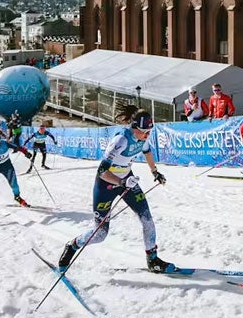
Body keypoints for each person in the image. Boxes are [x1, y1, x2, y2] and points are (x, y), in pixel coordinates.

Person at [55, 104, 173, 273]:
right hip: (106, 184)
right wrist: (122, 182)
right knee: (101, 234)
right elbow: (102, 171)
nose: (147, 135)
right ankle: (72, 246)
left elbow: (147, 152)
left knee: (147, 219)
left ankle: (153, 260)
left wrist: (155, 172)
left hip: (126, 180)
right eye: (144, 132)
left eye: (149, 132)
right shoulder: (121, 140)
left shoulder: (143, 137)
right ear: (134, 127)